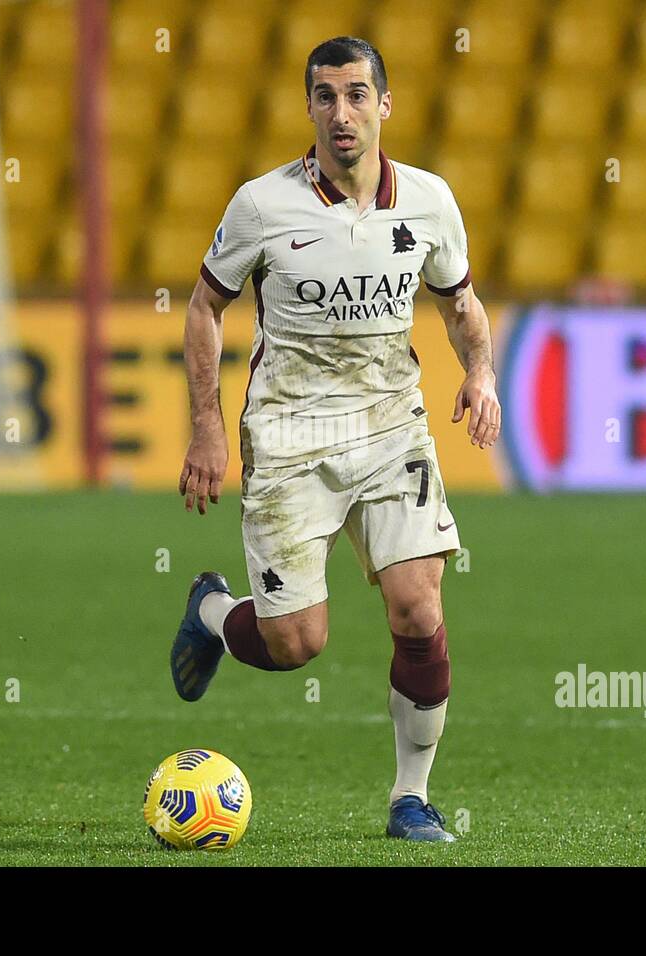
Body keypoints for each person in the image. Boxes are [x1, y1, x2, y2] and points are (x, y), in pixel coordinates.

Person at [170, 37, 501, 843]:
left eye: (357, 95)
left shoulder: (427, 201)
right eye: (325, 96)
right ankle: (214, 612)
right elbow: (204, 309)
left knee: (418, 608)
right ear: (308, 107)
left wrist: (481, 373)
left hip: (393, 429)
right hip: (288, 439)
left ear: (386, 104)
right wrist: (208, 429)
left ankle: (410, 800)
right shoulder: (261, 206)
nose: (341, 113)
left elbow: (459, 301)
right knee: (295, 643)